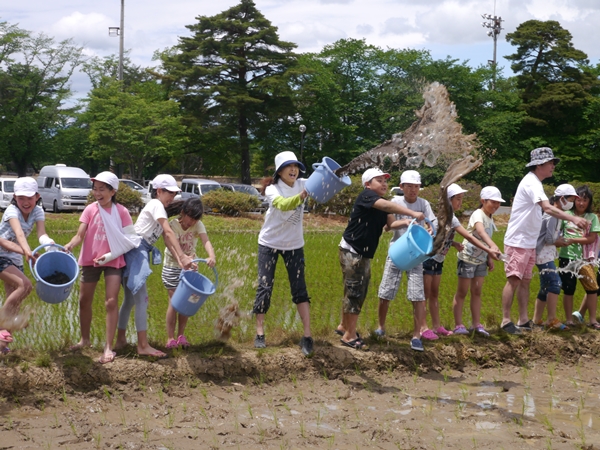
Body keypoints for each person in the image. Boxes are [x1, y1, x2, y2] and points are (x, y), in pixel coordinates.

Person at [501, 148, 589, 334]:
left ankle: (523, 320)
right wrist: (573, 218)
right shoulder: (531, 182)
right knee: (514, 280)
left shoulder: (536, 183)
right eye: (551, 163)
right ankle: (505, 321)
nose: (553, 167)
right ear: (539, 165)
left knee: (525, 281)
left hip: (528, 242)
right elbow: (547, 208)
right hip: (518, 240)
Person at [337, 168, 425, 351]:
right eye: (379, 180)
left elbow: (390, 224)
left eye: (385, 181)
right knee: (356, 292)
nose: (384, 184)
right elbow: (386, 207)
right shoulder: (367, 196)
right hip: (353, 250)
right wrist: (412, 213)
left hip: (361, 253)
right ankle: (349, 336)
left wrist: (406, 222)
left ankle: (344, 326)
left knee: (354, 290)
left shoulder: (382, 202)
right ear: (368, 184)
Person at [115, 174, 194, 358]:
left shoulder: (160, 208)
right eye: (170, 193)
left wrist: (180, 258)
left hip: (135, 250)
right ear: (159, 191)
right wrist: (182, 256)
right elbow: (167, 231)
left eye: (175, 194)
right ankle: (142, 345)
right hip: (136, 251)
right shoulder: (156, 204)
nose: (172, 197)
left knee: (129, 300)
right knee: (142, 299)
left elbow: (167, 238)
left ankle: (120, 340)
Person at [64, 172, 135, 364]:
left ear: (113, 191)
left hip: (113, 260)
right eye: (95, 189)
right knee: (83, 300)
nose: (97, 193)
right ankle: (84, 340)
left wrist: (111, 255)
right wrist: (70, 245)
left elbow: (131, 240)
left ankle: (108, 347)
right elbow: (80, 235)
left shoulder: (121, 212)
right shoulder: (90, 210)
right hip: (90, 259)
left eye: (102, 189)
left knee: (111, 302)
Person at [253, 151, 314, 356]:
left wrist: (330, 175)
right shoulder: (272, 189)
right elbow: (282, 204)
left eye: (296, 166)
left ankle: (307, 336)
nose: (293, 170)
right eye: (289, 166)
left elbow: (325, 186)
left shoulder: (303, 184)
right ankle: (260, 333)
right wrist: (302, 196)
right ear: (279, 171)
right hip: (269, 243)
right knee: (265, 285)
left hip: (294, 245)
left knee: (300, 289)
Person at [422, 183, 500, 340]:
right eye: (457, 199)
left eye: (461, 199)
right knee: (424, 294)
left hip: (439, 260)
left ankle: (437, 326)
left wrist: (454, 244)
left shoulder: (452, 217)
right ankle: (423, 327)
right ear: (448, 201)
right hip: (428, 259)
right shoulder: (443, 217)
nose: (460, 202)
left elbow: (443, 239)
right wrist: (489, 249)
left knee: (434, 293)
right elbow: (470, 237)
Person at [374, 170, 435, 340]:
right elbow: (390, 225)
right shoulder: (394, 202)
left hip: (416, 254)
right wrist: (407, 221)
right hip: (397, 251)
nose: (413, 190)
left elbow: (433, 222)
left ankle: (417, 334)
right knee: (386, 291)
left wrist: (430, 229)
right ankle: (381, 326)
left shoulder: (424, 204)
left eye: (416, 186)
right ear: (401, 187)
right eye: (409, 186)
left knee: (417, 294)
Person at [0, 177, 50, 354]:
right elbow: (18, 235)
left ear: (37, 196)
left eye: (29, 198)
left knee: (14, 301)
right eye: (21, 198)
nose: (26, 202)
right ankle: (0, 329)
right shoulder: (11, 211)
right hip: (1, 253)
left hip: (16, 256)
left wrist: (51, 247)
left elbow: (42, 235)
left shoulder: (38, 212)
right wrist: (27, 252)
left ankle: (2, 347)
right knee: (25, 286)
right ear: (15, 197)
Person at [163, 198, 216, 349]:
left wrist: (211, 256)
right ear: (183, 212)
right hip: (172, 267)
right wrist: (181, 260)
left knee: (186, 303)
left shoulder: (198, 225)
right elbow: (170, 245)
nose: (191, 222)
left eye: (195, 219)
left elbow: (206, 241)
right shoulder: (172, 225)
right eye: (190, 218)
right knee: (174, 303)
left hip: (190, 268)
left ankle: (181, 336)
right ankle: (170, 338)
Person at [452, 186, 504, 337]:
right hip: (468, 259)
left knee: (477, 291)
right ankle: (458, 325)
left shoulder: (490, 217)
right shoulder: (478, 214)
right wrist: (493, 247)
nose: (496, 206)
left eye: (498, 203)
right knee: (462, 292)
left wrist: (489, 257)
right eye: (493, 202)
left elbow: (485, 239)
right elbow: (480, 232)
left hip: (481, 260)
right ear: (483, 201)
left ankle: (476, 324)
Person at [531, 184, 576, 331]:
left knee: (545, 287)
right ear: (561, 198)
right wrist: (560, 242)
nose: (572, 203)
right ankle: (551, 319)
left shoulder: (556, 214)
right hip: (543, 255)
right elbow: (549, 238)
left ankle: (536, 320)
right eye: (570, 199)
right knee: (555, 283)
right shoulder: (552, 215)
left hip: (545, 254)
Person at [558, 185, 600, 329]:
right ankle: (569, 319)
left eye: (585, 200)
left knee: (592, 287)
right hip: (566, 256)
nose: (581, 203)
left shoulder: (592, 217)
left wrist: (573, 240)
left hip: (584, 259)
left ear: (589, 202)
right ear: (574, 200)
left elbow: (592, 238)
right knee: (569, 289)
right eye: (578, 200)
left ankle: (592, 320)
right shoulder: (566, 215)